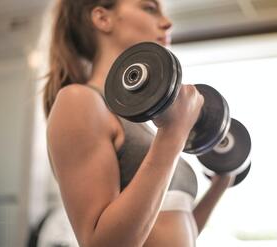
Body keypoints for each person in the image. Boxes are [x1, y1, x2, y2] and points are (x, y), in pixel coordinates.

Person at [44, 0, 233, 246]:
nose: (167, 22)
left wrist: (221, 182)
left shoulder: (145, 124)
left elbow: (175, 229)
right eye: (149, 8)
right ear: (103, 19)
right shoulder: (80, 101)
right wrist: (174, 133)